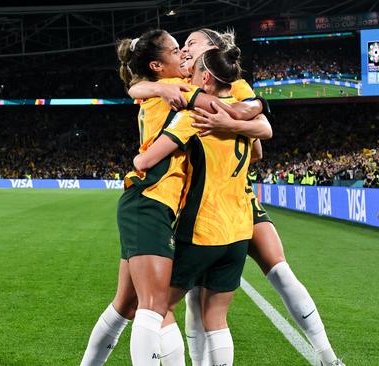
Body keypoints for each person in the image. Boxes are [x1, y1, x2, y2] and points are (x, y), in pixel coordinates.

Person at [130, 28, 345, 366]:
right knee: (203, 305)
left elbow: (263, 133)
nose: (184, 49)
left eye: (191, 44)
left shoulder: (226, 88)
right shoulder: (185, 83)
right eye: (181, 46)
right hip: (221, 213)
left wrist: (227, 122)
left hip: (224, 205)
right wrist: (158, 86)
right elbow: (136, 87)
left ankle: (325, 354)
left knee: (270, 276)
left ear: (212, 53)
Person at [80, 29, 271, 366]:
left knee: (125, 304)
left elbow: (135, 87)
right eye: (174, 50)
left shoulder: (164, 89)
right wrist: (246, 113)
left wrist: (155, 87)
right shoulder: (184, 92)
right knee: (152, 306)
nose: (182, 53)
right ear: (157, 64)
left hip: (156, 204)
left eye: (185, 48)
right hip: (150, 200)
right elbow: (241, 116)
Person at [134, 47, 263, 366]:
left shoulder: (196, 114)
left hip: (203, 227)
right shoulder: (242, 112)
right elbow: (258, 151)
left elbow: (148, 159)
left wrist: (139, 159)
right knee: (216, 318)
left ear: (206, 77)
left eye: (194, 73)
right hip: (239, 229)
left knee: (159, 307)